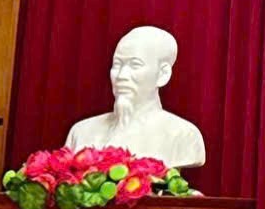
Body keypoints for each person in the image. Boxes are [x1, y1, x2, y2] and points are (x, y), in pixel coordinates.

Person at [64, 25, 207, 169]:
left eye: (135, 65)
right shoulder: (81, 132)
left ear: (163, 74)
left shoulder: (183, 135)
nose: (121, 75)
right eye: (117, 64)